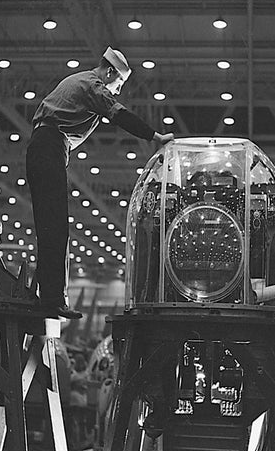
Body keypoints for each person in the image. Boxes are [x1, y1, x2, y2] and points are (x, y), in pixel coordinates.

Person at [25, 47, 173, 319]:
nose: (116, 91)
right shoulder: (93, 85)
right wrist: (155, 136)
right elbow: (120, 115)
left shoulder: (80, 81)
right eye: (118, 84)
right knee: (55, 226)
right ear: (110, 72)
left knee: (51, 225)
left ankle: (49, 297)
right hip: (49, 148)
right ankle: (52, 300)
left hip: (45, 148)